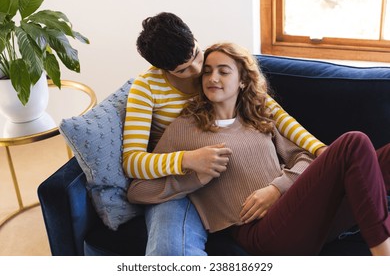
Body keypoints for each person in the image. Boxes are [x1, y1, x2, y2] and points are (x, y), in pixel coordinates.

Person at [127, 42, 390, 256]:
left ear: (242, 81)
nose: (212, 77)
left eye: (223, 71)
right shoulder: (185, 127)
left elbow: (304, 156)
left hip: (300, 212)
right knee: (353, 142)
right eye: (207, 71)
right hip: (260, 232)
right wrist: (192, 174)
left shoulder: (258, 116)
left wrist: (277, 188)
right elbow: (138, 190)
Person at [122, 12, 326, 255]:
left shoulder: (219, 73)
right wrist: (188, 161)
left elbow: (280, 119)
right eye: (184, 69)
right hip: (172, 173)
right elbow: (132, 163)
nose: (199, 71)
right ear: (164, 69)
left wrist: (321, 150)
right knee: (170, 251)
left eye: (197, 55)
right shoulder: (146, 90)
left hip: (260, 202)